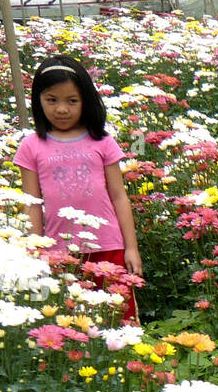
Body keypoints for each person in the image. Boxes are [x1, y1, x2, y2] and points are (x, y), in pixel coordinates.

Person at [14, 55, 142, 323]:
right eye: (52, 100)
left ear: (86, 100)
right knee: (70, 324)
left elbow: (119, 196)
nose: (62, 109)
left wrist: (131, 248)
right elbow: (32, 203)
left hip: (108, 246)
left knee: (120, 318)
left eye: (72, 101)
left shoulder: (102, 142)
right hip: (59, 250)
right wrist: (34, 251)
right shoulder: (31, 146)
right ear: (38, 100)